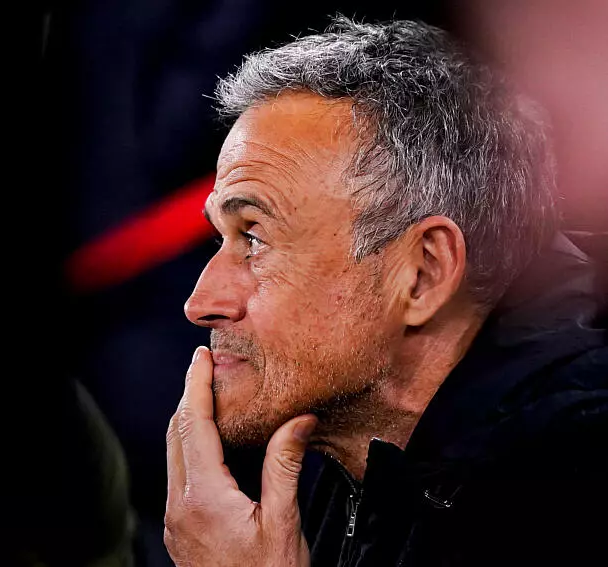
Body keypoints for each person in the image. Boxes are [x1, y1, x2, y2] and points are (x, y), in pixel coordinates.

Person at [163, 17, 607, 567]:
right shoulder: (343, 452)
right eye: (221, 238)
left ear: (422, 274)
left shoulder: (576, 496)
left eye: (254, 238)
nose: (201, 303)